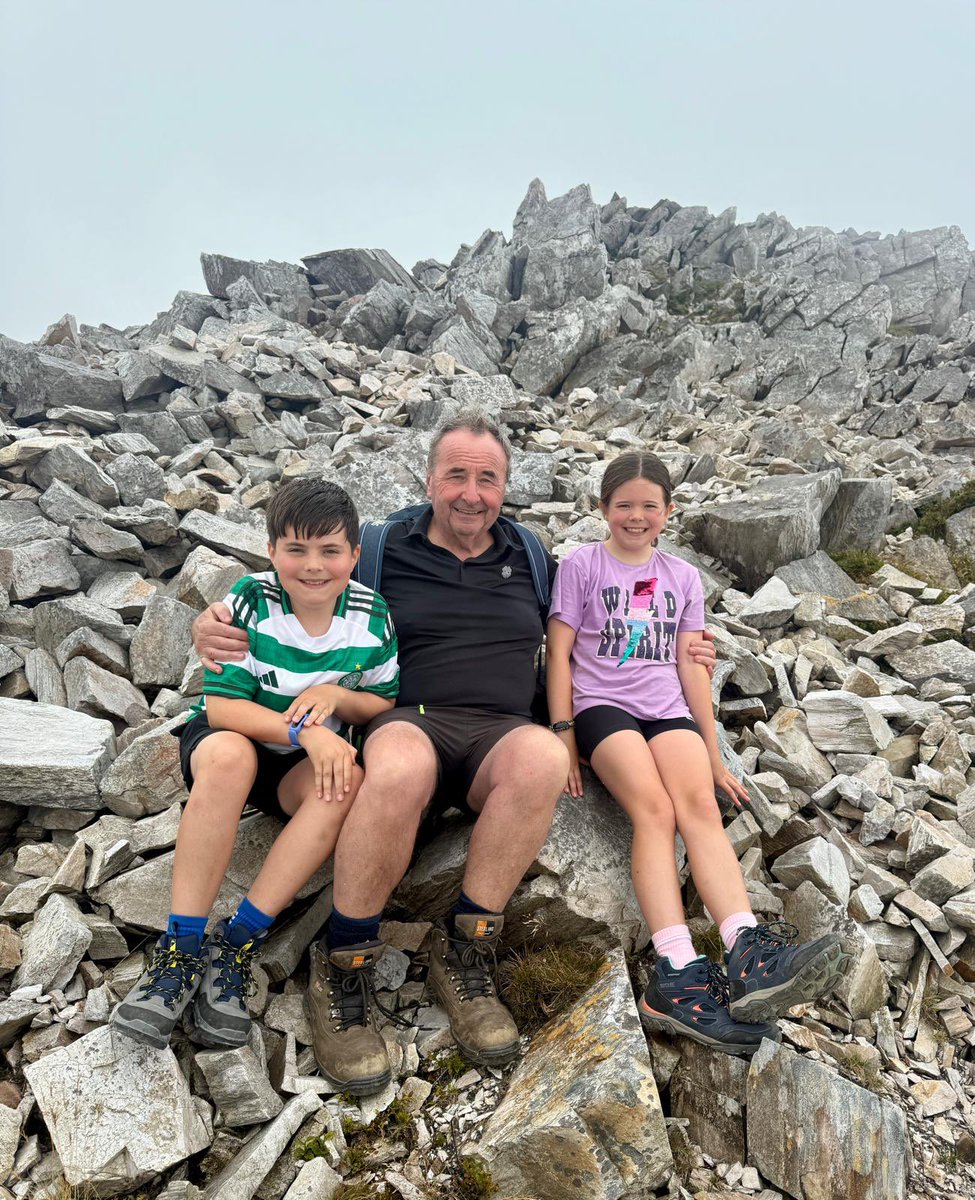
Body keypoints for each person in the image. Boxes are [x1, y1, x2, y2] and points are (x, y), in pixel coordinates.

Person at [192, 412, 719, 1093]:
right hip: (406, 715)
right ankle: (345, 959)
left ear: (505, 486)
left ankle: (465, 951)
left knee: (539, 761)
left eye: (487, 479)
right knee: (400, 764)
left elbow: (600, 623)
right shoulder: (381, 547)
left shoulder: (531, 555)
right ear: (429, 479)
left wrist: (691, 648)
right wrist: (213, 621)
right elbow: (303, 594)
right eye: (456, 476)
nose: (471, 492)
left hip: (502, 727)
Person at [546, 450, 845, 1056]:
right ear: (603, 509)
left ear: (668, 512)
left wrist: (712, 753)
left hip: (667, 710)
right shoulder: (581, 565)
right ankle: (677, 969)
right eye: (623, 505)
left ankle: (746, 950)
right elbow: (559, 649)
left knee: (700, 808)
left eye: (648, 506)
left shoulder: (681, 577)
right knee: (653, 810)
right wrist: (562, 731)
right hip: (603, 706)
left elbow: (690, 665)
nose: (636, 516)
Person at [112, 478, 398, 1052]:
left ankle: (237, 941)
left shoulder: (371, 615)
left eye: (330, 551)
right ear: (271, 551)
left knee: (345, 786)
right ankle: (181, 947)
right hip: (234, 736)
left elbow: (381, 699)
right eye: (296, 549)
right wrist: (306, 732)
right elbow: (221, 707)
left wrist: (337, 703)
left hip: (295, 766)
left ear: (355, 555)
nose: (313, 567)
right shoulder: (248, 601)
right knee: (228, 757)